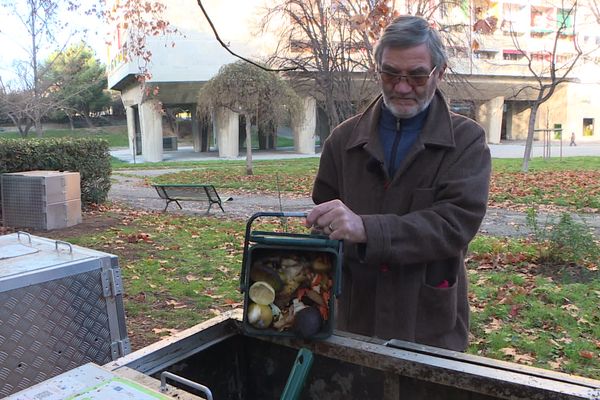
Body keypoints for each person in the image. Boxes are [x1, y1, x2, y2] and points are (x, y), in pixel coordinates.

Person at [305, 15, 491, 352]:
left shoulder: (466, 141)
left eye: (417, 76)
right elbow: (324, 229)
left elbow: (454, 224)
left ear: (440, 72)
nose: (402, 87)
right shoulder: (342, 140)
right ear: (377, 70)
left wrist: (366, 229)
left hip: (426, 323)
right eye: (390, 73)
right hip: (355, 318)